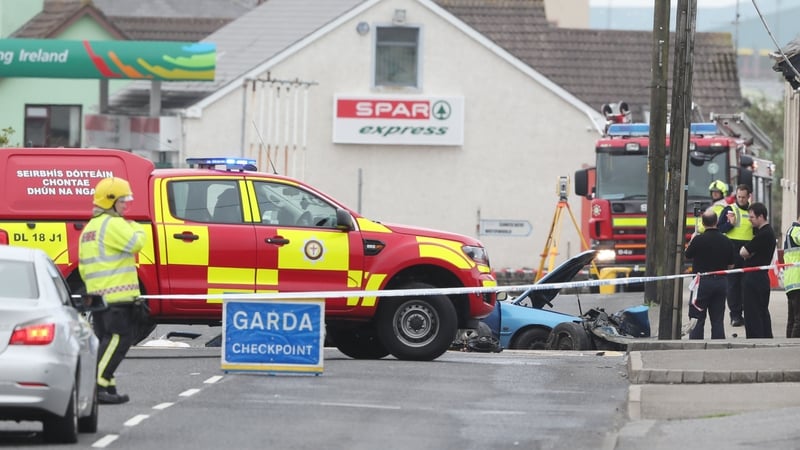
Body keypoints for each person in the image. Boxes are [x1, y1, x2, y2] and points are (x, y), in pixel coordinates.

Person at [79, 177, 146, 404]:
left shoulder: (90, 228)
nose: (125, 205)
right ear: (110, 201)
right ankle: (97, 384)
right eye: (122, 200)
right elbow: (135, 243)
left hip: (99, 297)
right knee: (119, 338)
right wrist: (136, 227)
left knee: (106, 340)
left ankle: (107, 387)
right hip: (116, 298)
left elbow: (83, 267)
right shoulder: (113, 223)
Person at [684, 211, 735, 339]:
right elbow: (731, 265)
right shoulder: (726, 241)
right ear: (716, 222)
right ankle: (718, 347)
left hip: (701, 283)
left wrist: (692, 240)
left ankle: (696, 346)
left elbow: (687, 254)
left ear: (702, 223)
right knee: (717, 320)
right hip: (721, 282)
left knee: (697, 318)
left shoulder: (698, 240)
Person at [739, 202, 776, 339]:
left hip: (754, 278)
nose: (750, 220)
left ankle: (756, 338)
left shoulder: (764, 234)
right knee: (761, 309)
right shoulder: (767, 232)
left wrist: (748, 253)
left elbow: (743, 252)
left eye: (752, 217)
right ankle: (765, 337)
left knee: (752, 310)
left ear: (761, 216)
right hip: (760, 277)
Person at [718, 184, 753, 327]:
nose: (741, 199)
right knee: (733, 285)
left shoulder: (753, 211)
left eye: (744, 197)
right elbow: (719, 229)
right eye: (739, 197)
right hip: (733, 250)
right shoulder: (730, 209)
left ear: (748, 196)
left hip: (749, 252)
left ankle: (747, 313)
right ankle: (736, 316)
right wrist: (730, 224)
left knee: (748, 285)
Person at [782, 217, 800, 338]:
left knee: (792, 319)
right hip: (797, 280)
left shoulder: (791, 231)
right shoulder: (796, 230)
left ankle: (787, 345)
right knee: (798, 320)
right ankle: (793, 346)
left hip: (792, 280)